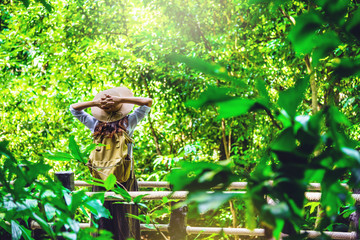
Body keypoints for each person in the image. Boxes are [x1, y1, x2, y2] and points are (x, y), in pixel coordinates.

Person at [70, 86, 153, 240]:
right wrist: (121, 100)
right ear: (121, 109)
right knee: (125, 219)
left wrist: (95, 103)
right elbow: (147, 102)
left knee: (101, 219)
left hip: (100, 177)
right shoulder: (129, 122)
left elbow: (74, 109)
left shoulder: (95, 125)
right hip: (124, 177)